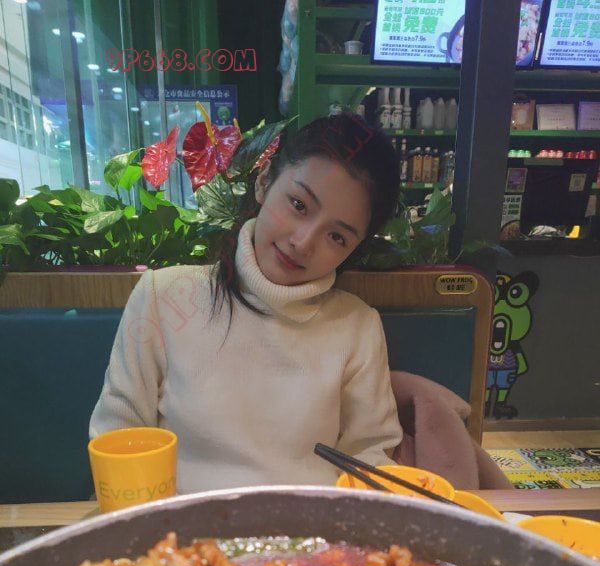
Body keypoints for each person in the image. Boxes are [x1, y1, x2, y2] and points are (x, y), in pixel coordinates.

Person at [89, 114, 403, 493]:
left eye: (336, 237)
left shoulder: (356, 326)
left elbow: (369, 460)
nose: (303, 242)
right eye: (299, 205)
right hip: (183, 526)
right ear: (264, 181)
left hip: (311, 527)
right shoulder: (164, 297)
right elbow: (118, 438)